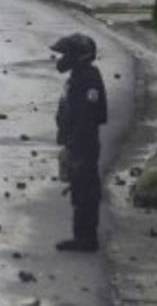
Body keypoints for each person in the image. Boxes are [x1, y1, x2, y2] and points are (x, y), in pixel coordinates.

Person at [51, 32, 108, 252]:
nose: (62, 59)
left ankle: (87, 238)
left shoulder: (88, 79)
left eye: (67, 54)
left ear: (79, 56)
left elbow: (89, 116)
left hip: (84, 143)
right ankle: (81, 235)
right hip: (76, 142)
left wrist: (75, 146)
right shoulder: (77, 77)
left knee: (86, 190)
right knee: (79, 189)